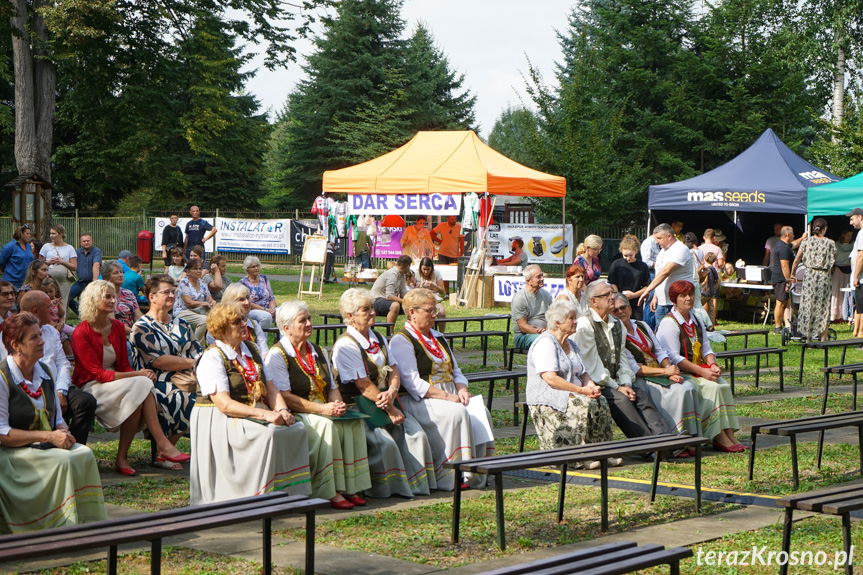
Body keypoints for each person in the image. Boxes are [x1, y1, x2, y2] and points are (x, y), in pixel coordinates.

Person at [191, 302, 311, 504]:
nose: (243, 324)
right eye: (236, 321)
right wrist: (267, 415)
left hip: (250, 414)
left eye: (244, 319)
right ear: (221, 328)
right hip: (220, 419)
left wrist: (282, 409)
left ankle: (287, 496)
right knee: (268, 433)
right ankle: (253, 497)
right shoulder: (213, 356)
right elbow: (224, 405)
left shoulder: (251, 350)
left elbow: (271, 388)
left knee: (296, 428)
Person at [0, 312, 107, 533]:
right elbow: (2, 433)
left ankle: (89, 524)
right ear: (15, 345)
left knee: (84, 453)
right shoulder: (3, 378)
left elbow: (58, 420)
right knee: (63, 461)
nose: (42, 342)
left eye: (41, 335)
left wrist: (63, 432)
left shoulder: (46, 373)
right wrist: (49, 436)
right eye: (34, 338)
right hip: (10, 456)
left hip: (41, 448)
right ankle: (59, 526)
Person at [72, 280, 190, 475]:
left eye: (114, 296)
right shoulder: (81, 332)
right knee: (142, 384)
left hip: (120, 382)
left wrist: (135, 375)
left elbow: (125, 365)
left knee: (140, 392)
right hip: (92, 386)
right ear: (93, 300)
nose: (113, 300)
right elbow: (97, 374)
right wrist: (138, 374)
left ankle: (125, 457)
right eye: (107, 297)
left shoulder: (117, 327)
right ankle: (159, 445)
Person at [265, 301, 372, 509]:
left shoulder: (318, 351)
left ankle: (351, 486)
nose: (308, 324)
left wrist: (338, 404)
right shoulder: (278, 355)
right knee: (327, 426)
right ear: (286, 328)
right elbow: (285, 396)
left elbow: (332, 386)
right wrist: (323, 409)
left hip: (324, 408)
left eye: (309, 319)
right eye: (302, 321)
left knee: (352, 423)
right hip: (298, 411)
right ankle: (330, 490)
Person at [332, 288, 436, 497]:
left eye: (372, 308)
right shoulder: (346, 344)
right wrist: (390, 408)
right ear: (350, 316)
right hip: (360, 407)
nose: (372, 312)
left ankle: (415, 486)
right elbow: (363, 385)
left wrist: (392, 390)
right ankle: (386, 489)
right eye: (366, 309)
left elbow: (394, 369)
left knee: (418, 436)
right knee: (384, 443)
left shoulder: (377, 336)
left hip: (385, 400)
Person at [389, 288, 495, 490]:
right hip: (421, 400)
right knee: (456, 414)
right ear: (412, 312)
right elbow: (413, 383)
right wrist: (448, 397)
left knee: (482, 413)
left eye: (434, 310)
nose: (435, 315)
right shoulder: (402, 340)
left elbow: (457, 371)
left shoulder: (438, 337)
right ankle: (454, 475)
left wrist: (462, 390)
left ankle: (480, 472)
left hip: (449, 395)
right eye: (429, 310)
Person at [575, 280, 671, 441]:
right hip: (594, 383)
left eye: (611, 293)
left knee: (641, 396)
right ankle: (647, 446)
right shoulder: (585, 325)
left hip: (616, 381)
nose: (612, 297)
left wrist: (626, 383)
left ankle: (665, 439)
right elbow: (593, 368)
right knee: (622, 399)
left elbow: (622, 358)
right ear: (593, 301)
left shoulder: (617, 324)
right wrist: (618, 387)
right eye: (606, 295)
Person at [656, 280, 744, 452]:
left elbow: (706, 347)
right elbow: (673, 357)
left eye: (690, 294)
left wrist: (712, 364)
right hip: (681, 373)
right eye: (683, 296)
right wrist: (702, 371)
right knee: (714, 389)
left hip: (699, 369)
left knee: (723, 386)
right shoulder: (669, 322)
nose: (688, 298)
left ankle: (728, 433)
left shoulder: (695, 318)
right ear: (674, 300)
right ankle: (717, 435)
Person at [526, 300, 615, 466]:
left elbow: (583, 372)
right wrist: (581, 391)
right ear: (558, 323)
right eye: (572, 318)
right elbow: (551, 379)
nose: (576, 321)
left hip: (573, 391)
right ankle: (580, 456)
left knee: (600, 401)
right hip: (549, 396)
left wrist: (591, 386)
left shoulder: (571, 344)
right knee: (582, 402)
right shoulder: (545, 343)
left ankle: (603, 452)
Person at [611, 294, 701, 444]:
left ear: (630, 309)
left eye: (623, 307)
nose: (620, 312)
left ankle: (691, 437)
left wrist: (670, 369)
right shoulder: (616, 334)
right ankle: (676, 437)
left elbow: (659, 351)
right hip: (641, 378)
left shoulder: (642, 325)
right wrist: (665, 372)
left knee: (688, 387)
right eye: (615, 310)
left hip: (661, 372)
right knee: (680, 391)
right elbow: (634, 368)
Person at [131, 275, 199, 467]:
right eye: (166, 292)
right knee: (184, 398)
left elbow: (198, 351)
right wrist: (189, 362)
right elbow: (157, 360)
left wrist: (192, 364)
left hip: (188, 376)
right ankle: (166, 450)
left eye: (173, 292)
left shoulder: (182, 324)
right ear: (151, 296)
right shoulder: (142, 327)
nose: (171, 295)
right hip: (154, 379)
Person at [20, 291, 96, 445]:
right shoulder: (16, 334)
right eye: (49, 307)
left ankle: (74, 445)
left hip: (56, 388)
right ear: (36, 311)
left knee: (86, 402)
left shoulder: (52, 332)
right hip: (29, 391)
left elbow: (63, 363)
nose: (54, 310)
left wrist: (61, 390)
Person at [638, 223, 694, 327]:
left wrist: (647, 290)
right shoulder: (663, 251)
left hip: (677, 302)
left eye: (659, 238)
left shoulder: (680, 249)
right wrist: (655, 296)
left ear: (669, 236)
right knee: (661, 336)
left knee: (677, 335)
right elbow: (659, 273)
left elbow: (666, 272)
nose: (657, 241)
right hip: (662, 302)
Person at [791, 218, 836, 342]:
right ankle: (823, 339)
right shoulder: (830, 243)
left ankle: (809, 339)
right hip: (824, 276)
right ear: (825, 229)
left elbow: (797, 259)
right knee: (824, 306)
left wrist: (792, 273)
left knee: (808, 306)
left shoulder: (806, 242)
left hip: (810, 275)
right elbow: (832, 262)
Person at [206, 283, 269, 356]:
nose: (247, 302)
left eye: (248, 297)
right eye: (241, 299)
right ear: (230, 302)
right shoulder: (218, 327)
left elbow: (264, 352)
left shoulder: (254, 325)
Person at [608, 234, 650, 320]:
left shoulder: (642, 266)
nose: (628, 258)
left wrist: (634, 295)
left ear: (636, 251)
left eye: (630, 255)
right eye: (625, 256)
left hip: (636, 303)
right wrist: (618, 295)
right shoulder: (617, 264)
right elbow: (612, 282)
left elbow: (647, 286)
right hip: (619, 302)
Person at [38, 224, 77, 315]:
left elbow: (74, 266)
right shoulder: (46, 246)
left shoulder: (69, 248)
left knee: (62, 301)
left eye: (53, 233)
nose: (51, 235)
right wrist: (48, 262)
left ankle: (62, 323)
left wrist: (62, 261)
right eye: (50, 233)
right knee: (47, 300)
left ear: (61, 234)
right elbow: (38, 264)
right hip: (48, 280)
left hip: (63, 281)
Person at [512, 264, 553, 348]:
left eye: (542, 275)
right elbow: (522, 327)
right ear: (529, 281)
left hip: (546, 333)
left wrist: (548, 330)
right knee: (545, 341)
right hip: (524, 336)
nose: (542, 278)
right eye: (538, 277)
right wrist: (543, 333)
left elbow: (552, 317)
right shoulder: (520, 298)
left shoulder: (546, 295)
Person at [174, 259, 215, 342]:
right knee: (205, 320)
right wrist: (205, 304)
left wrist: (213, 302)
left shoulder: (202, 283)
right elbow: (189, 303)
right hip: (183, 311)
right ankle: (194, 345)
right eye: (195, 269)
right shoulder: (184, 283)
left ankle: (205, 345)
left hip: (198, 311)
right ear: (188, 271)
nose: (199, 271)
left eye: (200, 268)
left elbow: (210, 299)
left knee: (215, 319)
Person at [103, 260, 141, 335]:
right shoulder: (104, 295)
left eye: (121, 272)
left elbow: (138, 317)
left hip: (132, 333)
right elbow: (113, 323)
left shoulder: (128, 293)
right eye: (116, 273)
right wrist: (135, 333)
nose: (120, 275)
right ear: (106, 278)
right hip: (114, 334)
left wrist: (144, 328)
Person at [67, 233, 102, 317]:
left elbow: (96, 266)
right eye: (84, 241)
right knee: (67, 297)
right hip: (80, 282)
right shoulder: (77, 253)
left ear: (92, 241)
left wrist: (94, 283)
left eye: (88, 241)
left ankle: (94, 316)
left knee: (93, 300)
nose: (86, 242)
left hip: (91, 282)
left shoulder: (96, 251)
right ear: (80, 243)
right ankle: (82, 314)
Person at [370, 255, 411, 325]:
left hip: (386, 300)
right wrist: (406, 301)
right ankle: (390, 333)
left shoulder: (402, 275)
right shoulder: (392, 274)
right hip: (376, 301)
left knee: (414, 306)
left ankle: (414, 331)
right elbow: (389, 296)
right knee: (395, 305)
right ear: (408, 266)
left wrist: (413, 299)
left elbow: (403, 293)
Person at [770, 226, 795, 333]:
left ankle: (787, 325)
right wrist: (788, 280)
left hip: (782, 278)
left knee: (786, 302)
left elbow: (794, 244)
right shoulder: (784, 248)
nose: (794, 235)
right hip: (781, 279)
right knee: (780, 302)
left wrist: (804, 238)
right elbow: (785, 266)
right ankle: (777, 327)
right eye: (793, 233)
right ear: (787, 235)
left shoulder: (784, 245)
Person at [239, 256, 276, 330]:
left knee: (285, 314)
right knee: (266, 317)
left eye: (257, 266)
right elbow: (248, 303)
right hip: (252, 310)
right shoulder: (243, 282)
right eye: (253, 267)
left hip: (268, 308)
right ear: (247, 269)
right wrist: (266, 310)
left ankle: (279, 339)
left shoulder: (264, 278)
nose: (256, 268)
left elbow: (271, 297)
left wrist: (272, 309)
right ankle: (261, 339)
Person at [416, 257, 447, 327]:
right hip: (421, 298)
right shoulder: (416, 274)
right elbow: (410, 289)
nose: (426, 272)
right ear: (420, 268)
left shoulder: (436, 273)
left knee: (441, 312)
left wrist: (434, 286)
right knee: (425, 313)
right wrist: (419, 288)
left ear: (432, 268)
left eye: (428, 269)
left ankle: (442, 334)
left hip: (434, 298)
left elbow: (443, 291)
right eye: (424, 269)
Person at [0, 224, 33, 288]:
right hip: (11, 281)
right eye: (27, 234)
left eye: (29, 234)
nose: (29, 236)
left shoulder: (28, 246)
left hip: (25, 281)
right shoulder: (9, 246)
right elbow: (1, 261)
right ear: (21, 234)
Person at [832, 229, 854, 322]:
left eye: (851, 236)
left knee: (848, 293)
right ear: (843, 235)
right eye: (848, 235)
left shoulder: (853, 244)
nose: (850, 237)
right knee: (836, 292)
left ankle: (846, 314)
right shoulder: (836, 245)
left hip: (849, 270)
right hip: (838, 269)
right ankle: (835, 315)